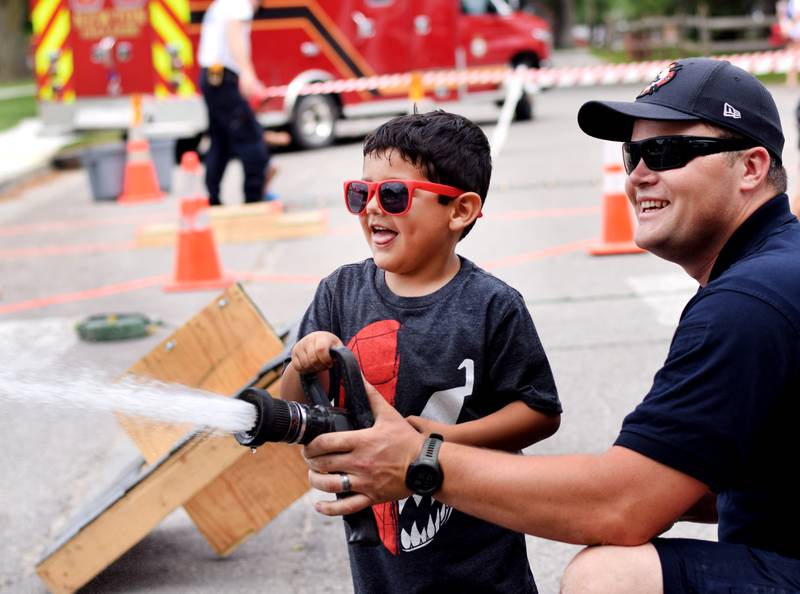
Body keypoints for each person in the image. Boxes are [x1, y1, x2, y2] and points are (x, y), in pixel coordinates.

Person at [302, 58, 800, 593]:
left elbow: (620, 504)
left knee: (609, 577)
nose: (637, 174)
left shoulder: (749, 301)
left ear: (751, 168)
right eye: (633, 154)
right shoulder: (772, 275)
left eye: (668, 151)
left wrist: (419, 463)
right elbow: (684, 485)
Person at [281, 110, 562, 593]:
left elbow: (539, 412)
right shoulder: (340, 292)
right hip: (381, 570)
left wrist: (441, 440)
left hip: (483, 565)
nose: (372, 207)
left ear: (460, 210)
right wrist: (303, 359)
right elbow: (296, 405)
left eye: (393, 194)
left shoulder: (492, 305)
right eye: (360, 192)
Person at [197, 0, 273, 206]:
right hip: (223, 78)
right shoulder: (240, 3)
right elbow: (234, 33)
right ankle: (254, 199)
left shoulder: (220, 4)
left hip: (211, 77)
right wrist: (247, 73)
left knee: (220, 140)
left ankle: (212, 198)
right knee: (251, 137)